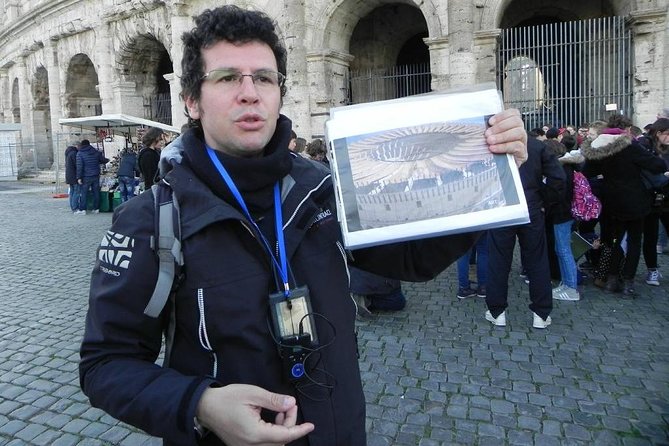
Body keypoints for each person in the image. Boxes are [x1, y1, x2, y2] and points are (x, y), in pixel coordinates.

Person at [78, 6, 528, 446]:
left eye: (265, 78)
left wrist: (488, 177)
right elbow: (105, 364)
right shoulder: (149, 220)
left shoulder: (325, 189)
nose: (250, 92)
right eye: (228, 77)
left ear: (279, 93)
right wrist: (200, 405)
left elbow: (410, 260)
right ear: (192, 100)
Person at [485, 136, 565, 329]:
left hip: (502, 207)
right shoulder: (537, 146)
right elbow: (558, 178)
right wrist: (543, 200)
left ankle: (497, 312)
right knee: (537, 260)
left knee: (498, 260)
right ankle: (541, 313)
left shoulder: (493, 146)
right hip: (531, 208)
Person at [581, 114, 666, 296]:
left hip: (611, 198)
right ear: (626, 129)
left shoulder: (598, 146)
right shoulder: (630, 145)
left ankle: (611, 279)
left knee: (614, 239)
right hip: (635, 199)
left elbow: (587, 171)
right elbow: (657, 165)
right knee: (634, 241)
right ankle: (628, 282)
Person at [639, 118, 669, 286]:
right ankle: (652, 270)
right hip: (651, 196)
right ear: (659, 133)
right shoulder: (646, 145)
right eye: (667, 134)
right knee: (650, 235)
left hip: (666, 197)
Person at [76, 139, 109, 215]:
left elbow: (79, 166)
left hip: (85, 176)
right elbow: (103, 160)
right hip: (95, 175)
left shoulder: (80, 153)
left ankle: (83, 209)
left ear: (81, 145)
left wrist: (79, 177)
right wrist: (107, 159)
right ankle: (96, 208)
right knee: (96, 192)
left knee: (84, 193)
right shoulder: (95, 152)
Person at [456, 231, 488, 299]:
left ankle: (463, 288)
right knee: (483, 252)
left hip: (462, 225)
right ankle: (483, 287)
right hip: (482, 224)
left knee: (463, 254)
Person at [64, 144, 80, 213]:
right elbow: (77, 165)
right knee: (76, 192)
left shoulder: (68, 153)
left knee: (72, 192)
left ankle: (72, 207)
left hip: (69, 176)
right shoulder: (74, 154)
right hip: (74, 176)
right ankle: (75, 208)